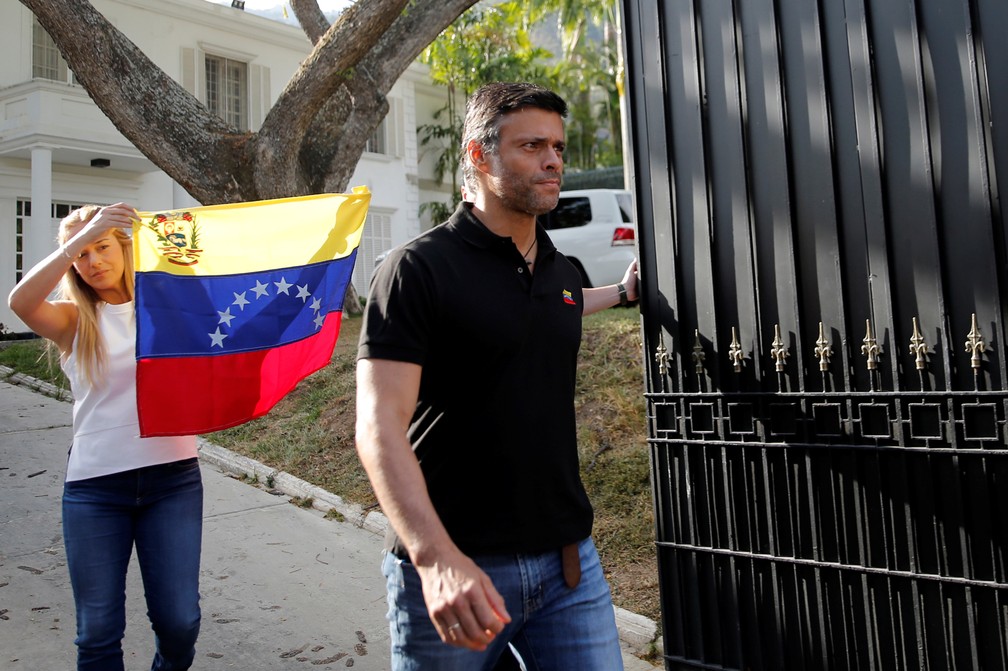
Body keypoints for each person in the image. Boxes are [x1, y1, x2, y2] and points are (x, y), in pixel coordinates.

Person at [355, 82, 639, 670]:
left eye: (558, 147)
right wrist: (434, 559)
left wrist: (621, 291)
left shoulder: (558, 269)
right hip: (454, 566)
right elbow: (378, 427)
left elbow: (551, 306)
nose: (553, 160)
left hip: (568, 564)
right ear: (479, 156)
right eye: (532, 146)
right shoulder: (417, 270)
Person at [8, 204, 202, 671]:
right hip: (95, 489)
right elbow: (20, 302)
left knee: (180, 622)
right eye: (81, 254)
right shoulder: (73, 320)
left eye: (102, 246)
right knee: (97, 632)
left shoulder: (169, 308)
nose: (93, 261)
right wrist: (80, 236)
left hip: (172, 480)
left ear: (124, 247)